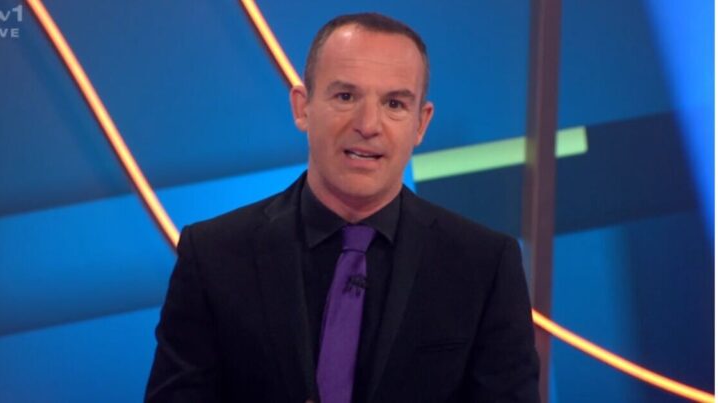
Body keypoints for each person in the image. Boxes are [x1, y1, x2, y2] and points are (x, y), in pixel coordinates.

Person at [145, 12, 539, 403]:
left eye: (394, 104)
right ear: (302, 107)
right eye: (346, 97)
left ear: (421, 123)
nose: (368, 124)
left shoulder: (484, 265)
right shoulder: (212, 255)